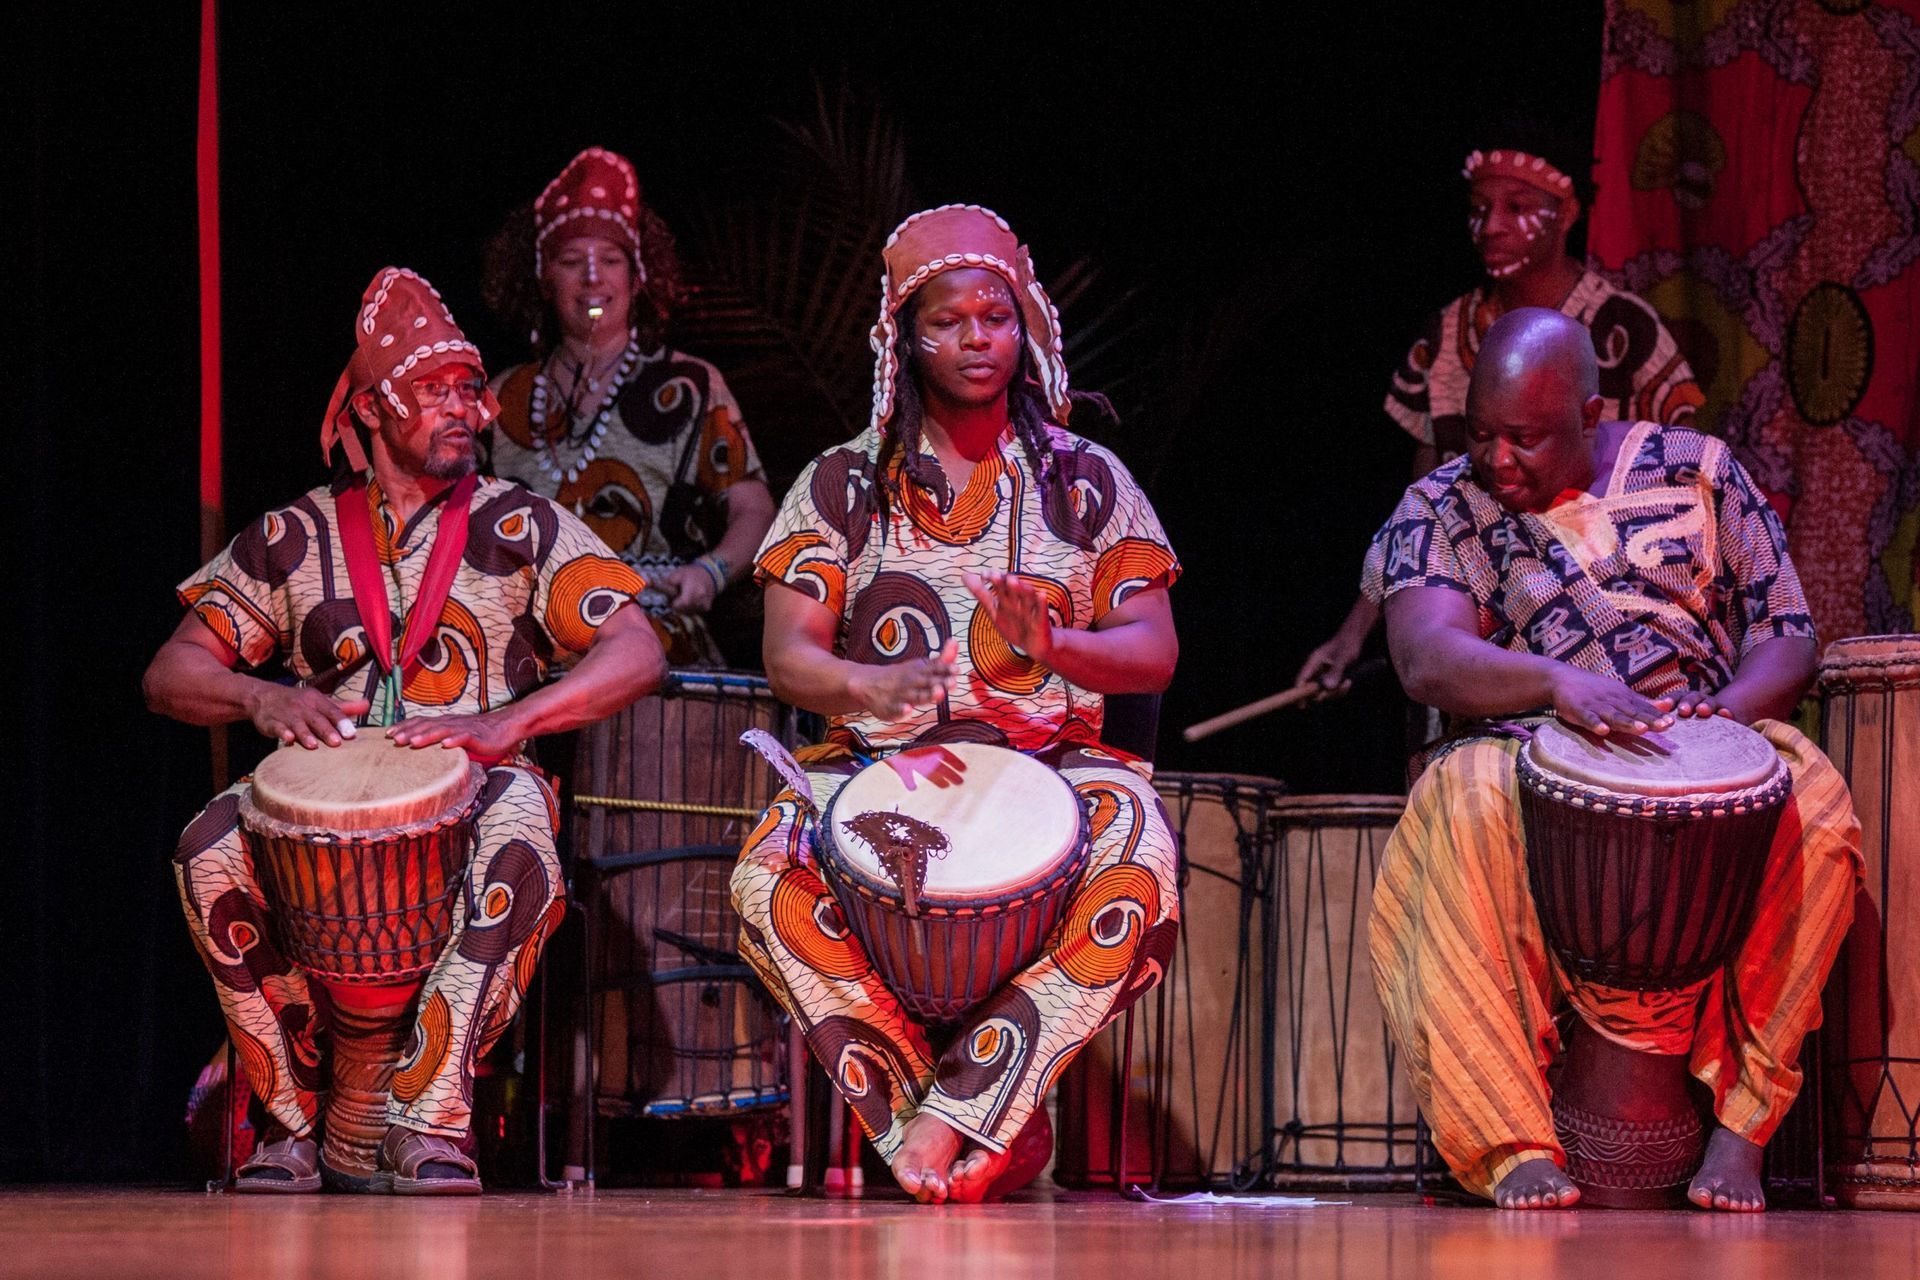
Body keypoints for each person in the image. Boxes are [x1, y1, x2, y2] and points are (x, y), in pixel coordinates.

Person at [144, 268, 668, 1193]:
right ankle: (289, 1121)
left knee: (523, 833)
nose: (463, 407)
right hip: (319, 809)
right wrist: (260, 699)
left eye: (469, 388)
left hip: (476, 789)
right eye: (434, 391)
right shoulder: (292, 536)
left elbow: (638, 649)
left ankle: (431, 1120)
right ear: (373, 408)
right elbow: (170, 672)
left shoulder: (523, 525)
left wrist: (514, 720)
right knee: (204, 848)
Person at [1360, 307, 1860, 1211]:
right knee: (1459, 798)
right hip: (1528, 755)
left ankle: (1743, 1129)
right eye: (1480, 432)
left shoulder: (1699, 470)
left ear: (1590, 416)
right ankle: (1509, 1141)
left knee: (1818, 804)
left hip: (1704, 742)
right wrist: (1556, 684)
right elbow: (1426, 656)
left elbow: (1787, 634)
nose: (1497, 459)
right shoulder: (1441, 508)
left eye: (1525, 438)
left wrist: (1723, 719)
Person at [731, 205, 1182, 1203]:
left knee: (1144, 863)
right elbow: (788, 655)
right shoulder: (843, 484)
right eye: (949, 321)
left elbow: (1154, 653)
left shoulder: (1088, 483)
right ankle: (933, 1113)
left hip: (1055, 773)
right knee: (765, 880)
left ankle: (954, 1112)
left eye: (997, 316)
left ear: (1026, 328)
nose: (978, 338)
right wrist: (868, 685)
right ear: (905, 337)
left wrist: (1056, 646)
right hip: (878, 774)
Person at [1297, 133, 1706, 698]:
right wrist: (1353, 635)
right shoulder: (1447, 334)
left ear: (1567, 213)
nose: (1491, 226)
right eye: (1480, 209)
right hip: (1468, 638)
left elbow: (1687, 491)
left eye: (1517, 207)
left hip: (1617, 642)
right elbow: (1422, 513)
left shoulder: (1622, 331)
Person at [483, 146, 776, 667]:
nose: (592, 277)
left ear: (638, 277)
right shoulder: (502, 397)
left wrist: (710, 572)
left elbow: (753, 508)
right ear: (544, 279)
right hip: (529, 653)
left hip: (658, 649)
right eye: (571, 262)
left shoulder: (692, 385)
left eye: (611, 260)